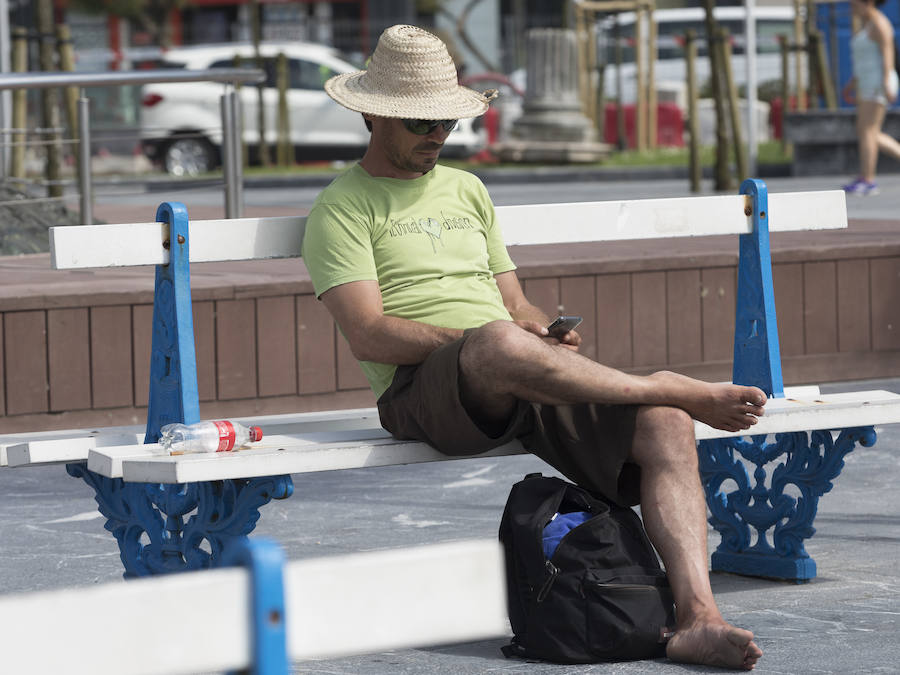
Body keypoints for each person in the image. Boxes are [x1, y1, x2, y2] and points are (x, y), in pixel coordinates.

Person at [302, 24, 764, 670]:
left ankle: (698, 617)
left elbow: (514, 305)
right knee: (499, 342)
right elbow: (370, 332)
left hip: (514, 371)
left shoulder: (467, 190)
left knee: (665, 423)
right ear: (375, 115)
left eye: (446, 123)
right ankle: (663, 382)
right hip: (425, 391)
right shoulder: (342, 208)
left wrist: (544, 333)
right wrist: (489, 343)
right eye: (422, 123)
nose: (438, 134)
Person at [841, 0, 900, 196]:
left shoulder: (880, 23)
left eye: (855, 4)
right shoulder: (866, 23)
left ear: (868, 3)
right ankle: (865, 177)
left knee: (868, 131)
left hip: (877, 84)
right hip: (867, 83)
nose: (852, 8)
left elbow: (887, 55)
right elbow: (865, 59)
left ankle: (868, 180)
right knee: (868, 132)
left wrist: (886, 84)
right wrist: (852, 84)